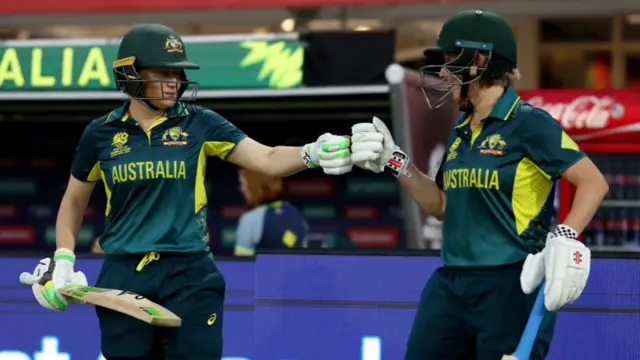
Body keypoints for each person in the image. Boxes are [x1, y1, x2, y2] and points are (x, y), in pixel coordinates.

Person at [18, 23, 351, 360]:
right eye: (163, 72)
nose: (174, 82)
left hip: (189, 274)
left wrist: (312, 153)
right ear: (130, 74)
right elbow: (74, 202)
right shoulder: (100, 134)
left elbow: (265, 158)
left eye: (177, 73)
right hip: (122, 274)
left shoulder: (200, 123)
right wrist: (63, 258)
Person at [349, 10, 609, 360]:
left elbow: (593, 182)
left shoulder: (529, 123)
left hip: (512, 284)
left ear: (480, 61)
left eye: (449, 61)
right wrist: (395, 161)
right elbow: (441, 205)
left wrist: (565, 235)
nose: (442, 73)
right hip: (451, 284)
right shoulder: (460, 130)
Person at [234, 167, 308, 256]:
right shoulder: (296, 214)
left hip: (263, 270)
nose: (242, 189)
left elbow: (241, 266)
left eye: (243, 184)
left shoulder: (250, 219)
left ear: (254, 185)